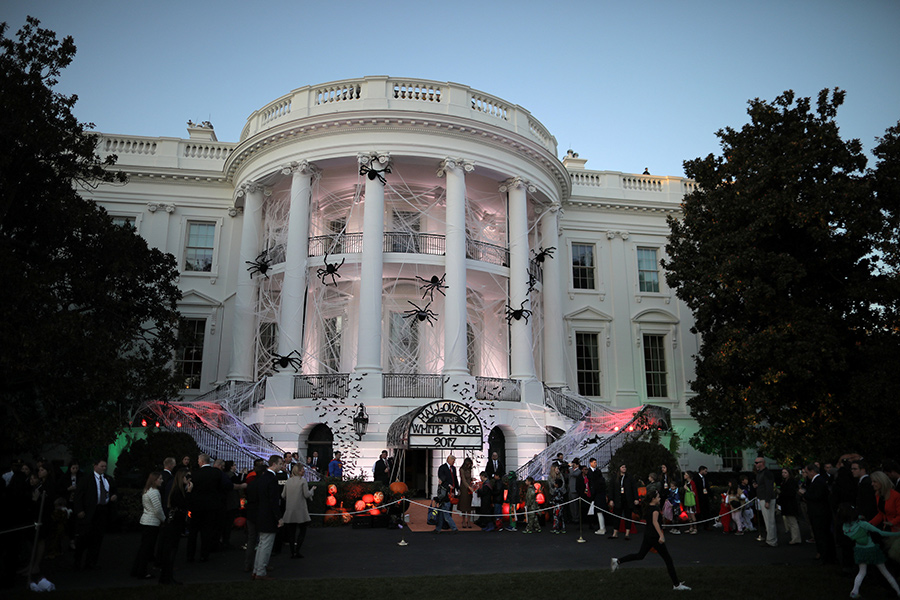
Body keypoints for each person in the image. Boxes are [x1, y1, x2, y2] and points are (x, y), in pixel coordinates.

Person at [610, 489, 691, 591]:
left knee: (640, 555)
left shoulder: (648, 507)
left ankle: (618, 561)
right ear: (653, 499)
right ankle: (676, 584)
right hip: (654, 537)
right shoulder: (655, 509)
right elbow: (655, 522)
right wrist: (661, 535)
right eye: (658, 497)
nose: (660, 498)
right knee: (668, 559)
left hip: (648, 535)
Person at [841, 505, 900, 599]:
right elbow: (881, 532)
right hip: (872, 550)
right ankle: (898, 591)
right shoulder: (863, 525)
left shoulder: (845, 527)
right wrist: (897, 533)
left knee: (861, 572)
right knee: (885, 572)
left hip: (860, 551)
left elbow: (853, 520)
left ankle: (854, 592)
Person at [73, 458, 117, 570]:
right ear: (95, 466)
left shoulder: (108, 479)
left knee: (97, 538)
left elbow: (113, 491)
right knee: (84, 538)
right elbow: (78, 496)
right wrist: (79, 510)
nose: (104, 468)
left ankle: (91, 562)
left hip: (102, 511)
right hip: (89, 512)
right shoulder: (86, 479)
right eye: (102, 466)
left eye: (105, 466)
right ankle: (77, 562)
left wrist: (113, 496)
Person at [249, 455, 284, 580]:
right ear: (274, 464)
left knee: (262, 544)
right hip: (268, 516)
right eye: (280, 464)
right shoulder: (272, 480)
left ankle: (257, 569)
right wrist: (278, 517)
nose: (281, 466)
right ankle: (261, 572)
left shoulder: (262, 479)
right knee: (266, 545)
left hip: (261, 514)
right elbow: (273, 501)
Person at [158, 469, 191, 585]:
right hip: (174, 525)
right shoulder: (178, 491)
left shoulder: (177, 490)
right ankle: (166, 576)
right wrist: (189, 492)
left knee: (171, 550)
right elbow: (184, 504)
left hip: (175, 524)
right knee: (170, 550)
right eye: (187, 477)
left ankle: (166, 576)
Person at [800, 462, 836, 564]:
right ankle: (825, 554)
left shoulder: (818, 482)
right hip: (819, 512)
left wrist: (805, 494)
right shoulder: (818, 481)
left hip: (819, 513)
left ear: (812, 471)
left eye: (807, 472)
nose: (806, 475)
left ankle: (825, 556)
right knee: (821, 534)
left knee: (821, 535)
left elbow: (817, 497)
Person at [131, 472, 165, 579]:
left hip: (146, 521)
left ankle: (136, 570)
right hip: (152, 523)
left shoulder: (147, 491)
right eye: (160, 479)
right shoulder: (155, 492)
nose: (162, 480)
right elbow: (158, 510)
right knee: (147, 549)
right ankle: (142, 571)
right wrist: (164, 519)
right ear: (155, 480)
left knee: (143, 548)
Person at [282, 463, 313, 559]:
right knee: (302, 531)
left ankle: (292, 552)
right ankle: (297, 551)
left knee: (291, 533)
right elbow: (306, 495)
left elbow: (283, 495)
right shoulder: (303, 481)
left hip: (290, 511)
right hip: (300, 510)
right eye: (302, 469)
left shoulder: (288, 481)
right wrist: (312, 490)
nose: (303, 471)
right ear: (298, 471)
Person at [608, 463, 639, 540]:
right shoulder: (615, 478)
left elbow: (634, 488)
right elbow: (611, 489)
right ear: (619, 468)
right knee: (616, 516)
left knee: (628, 516)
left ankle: (627, 533)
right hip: (618, 499)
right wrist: (611, 499)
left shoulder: (629, 477)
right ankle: (615, 533)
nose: (624, 468)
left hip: (628, 499)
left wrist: (636, 498)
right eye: (622, 467)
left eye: (625, 467)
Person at [432, 455, 459, 533]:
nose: (454, 462)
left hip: (449, 492)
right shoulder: (442, 468)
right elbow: (442, 478)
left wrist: (457, 488)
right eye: (453, 461)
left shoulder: (453, 468)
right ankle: (446, 528)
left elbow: (455, 478)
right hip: (445, 493)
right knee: (444, 512)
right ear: (449, 460)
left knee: (444, 512)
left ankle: (441, 528)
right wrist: (448, 485)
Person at [754, 457, 777, 547]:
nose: (755, 464)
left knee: (769, 521)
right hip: (763, 498)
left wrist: (767, 500)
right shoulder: (761, 473)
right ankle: (770, 539)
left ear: (762, 463)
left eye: (757, 462)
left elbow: (769, 488)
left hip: (767, 499)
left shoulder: (767, 473)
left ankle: (771, 541)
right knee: (768, 520)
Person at [778, 468, 802, 544]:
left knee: (792, 522)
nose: (783, 474)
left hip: (790, 503)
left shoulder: (791, 482)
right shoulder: (785, 481)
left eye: (785, 472)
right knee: (790, 521)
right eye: (783, 472)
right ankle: (794, 537)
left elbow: (790, 492)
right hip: (787, 503)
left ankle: (796, 538)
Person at [588, 457, 607, 535]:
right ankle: (601, 527)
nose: (595, 464)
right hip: (596, 494)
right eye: (594, 462)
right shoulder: (591, 473)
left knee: (599, 511)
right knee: (598, 512)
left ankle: (602, 528)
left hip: (598, 494)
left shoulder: (597, 473)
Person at [458, 457, 475, 529]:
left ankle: (468, 521)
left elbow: (468, 478)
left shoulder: (469, 469)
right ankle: (464, 521)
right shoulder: (461, 469)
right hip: (464, 488)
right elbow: (463, 480)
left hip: (469, 486)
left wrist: (472, 479)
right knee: (464, 505)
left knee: (469, 505)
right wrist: (469, 487)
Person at [682, 470, 698, 535]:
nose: (684, 476)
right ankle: (691, 527)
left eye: (685, 474)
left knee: (692, 514)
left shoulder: (692, 483)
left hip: (691, 500)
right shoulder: (687, 482)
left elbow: (694, 493)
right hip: (688, 500)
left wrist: (687, 489)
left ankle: (695, 528)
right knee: (689, 514)